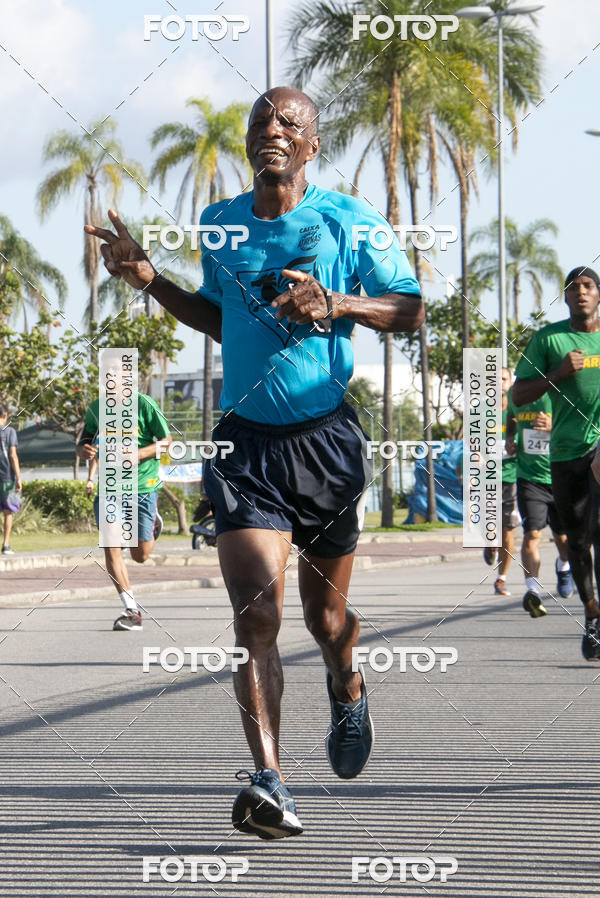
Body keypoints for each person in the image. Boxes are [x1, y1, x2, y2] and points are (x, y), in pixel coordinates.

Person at [85, 86, 423, 838]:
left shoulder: (347, 219)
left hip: (325, 442)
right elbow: (220, 317)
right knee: (257, 618)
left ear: (310, 146)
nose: (273, 130)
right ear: (249, 141)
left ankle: (348, 682)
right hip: (244, 447)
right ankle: (271, 783)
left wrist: (336, 303)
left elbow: (410, 308)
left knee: (325, 618)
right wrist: (151, 281)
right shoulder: (221, 224)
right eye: (262, 122)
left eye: (289, 124)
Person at [512, 266, 600, 661]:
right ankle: (593, 614)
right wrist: (559, 373)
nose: (581, 292)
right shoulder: (550, 339)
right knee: (578, 542)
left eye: (588, 286)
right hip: (564, 454)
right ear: (565, 297)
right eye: (573, 287)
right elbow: (518, 396)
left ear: (599, 294)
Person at [76, 392, 172, 630]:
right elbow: (82, 443)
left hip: (142, 486)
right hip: (110, 489)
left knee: (140, 555)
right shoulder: (96, 409)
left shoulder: (145, 404)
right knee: (112, 548)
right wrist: (83, 451)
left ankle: (152, 525)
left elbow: (167, 441)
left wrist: (138, 454)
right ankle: (132, 610)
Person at [505, 393, 573, 618]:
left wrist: (554, 427)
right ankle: (532, 590)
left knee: (563, 538)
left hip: (559, 474)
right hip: (529, 478)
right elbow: (512, 420)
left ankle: (564, 565)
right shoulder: (516, 394)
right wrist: (510, 439)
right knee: (532, 534)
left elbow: (580, 427)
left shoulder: (561, 392)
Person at [483, 368, 520, 596]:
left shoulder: (519, 408)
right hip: (487, 476)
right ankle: (489, 543)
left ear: (510, 382)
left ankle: (501, 578)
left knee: (508, 531)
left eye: (503, 379)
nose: (499, 383)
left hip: (512, 477)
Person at [0, 404, 22, 555]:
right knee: (8, 512)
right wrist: (19, 478)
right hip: (7, 476)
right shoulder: (10, 432)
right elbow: (13, 456)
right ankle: (6, 545)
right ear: (5, 415)